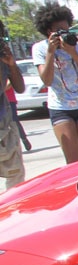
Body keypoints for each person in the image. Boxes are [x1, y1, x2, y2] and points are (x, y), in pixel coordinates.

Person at [32, 3, 78, 164]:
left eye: (66, 30)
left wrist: (72, 51)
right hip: (60, 107)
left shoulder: (73, 45)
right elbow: (46, 80)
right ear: (48, 31)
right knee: (73, 160)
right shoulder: (40, 48)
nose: (64, 34)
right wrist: (50, 53)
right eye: (59, 31)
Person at [0, 19, 26, 189]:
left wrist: (11, 65)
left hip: (5, 126)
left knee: (16, 175)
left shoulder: (3, 57)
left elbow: (20, 87)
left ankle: (11, 212)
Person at [4, 86, 31, 151]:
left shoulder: (5, 75)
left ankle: (23, 138)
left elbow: (9, 84)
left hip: (9, 100)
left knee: (14, 121)